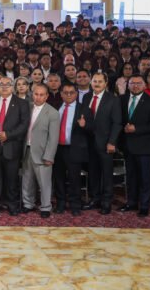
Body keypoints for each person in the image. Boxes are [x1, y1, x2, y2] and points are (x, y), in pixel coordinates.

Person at [119, 74, 150, 217]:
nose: (135, 86)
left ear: (144, 85)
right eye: (132, 83)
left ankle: (144, 206)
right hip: (127, 146)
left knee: (145, 178)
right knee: (131, 177)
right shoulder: (122, 99)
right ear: (128, 85)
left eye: (138, 83)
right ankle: (131, 203)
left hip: (145, 146)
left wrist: (136, 129)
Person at [0, 77, 29, 216]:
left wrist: (8, 135)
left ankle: (12, 204)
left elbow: (24, 125)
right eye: (1, 84)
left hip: (12, 146)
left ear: (13, 87)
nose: (4, 87)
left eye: (7, 84)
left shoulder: (22, 103)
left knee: (12, 178)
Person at [82, 72, 122, 215]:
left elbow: (117, 123)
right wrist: (83, 125)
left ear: (106, 84)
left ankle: (106, 202)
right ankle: (95, 199)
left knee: (106, 174)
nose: (97, 84)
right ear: (91, 82)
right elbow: (86, 119)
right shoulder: (86, 97)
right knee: (93, 172)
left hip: (106, 144)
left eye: (100, 81)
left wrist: (112, 142)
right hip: (89, 143)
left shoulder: (113, 99)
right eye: (94, 81)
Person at [53, 83, 94, 216]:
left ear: (76, 94)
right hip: (57, 149)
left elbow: (92, 129)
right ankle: (60, 204)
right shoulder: (56, 108)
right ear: (61, 94)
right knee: (58, 178)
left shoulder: (84, 109)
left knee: (74, 179)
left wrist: (84, 125)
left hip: (74, 149)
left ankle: (75, 205)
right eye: (66, 92)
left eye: (71, 92)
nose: (69, 95)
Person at [21, 84, 60, 218]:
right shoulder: (27, 107)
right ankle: (28, 204)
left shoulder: (53, 113)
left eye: (41, 95)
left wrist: (49, 156)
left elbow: (53, 138)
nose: (38, 97)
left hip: (43, 153)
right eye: (36, 94)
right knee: (27, 179)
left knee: (44, 182)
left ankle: (45, 207)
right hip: (26, 149)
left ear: (47, 96)